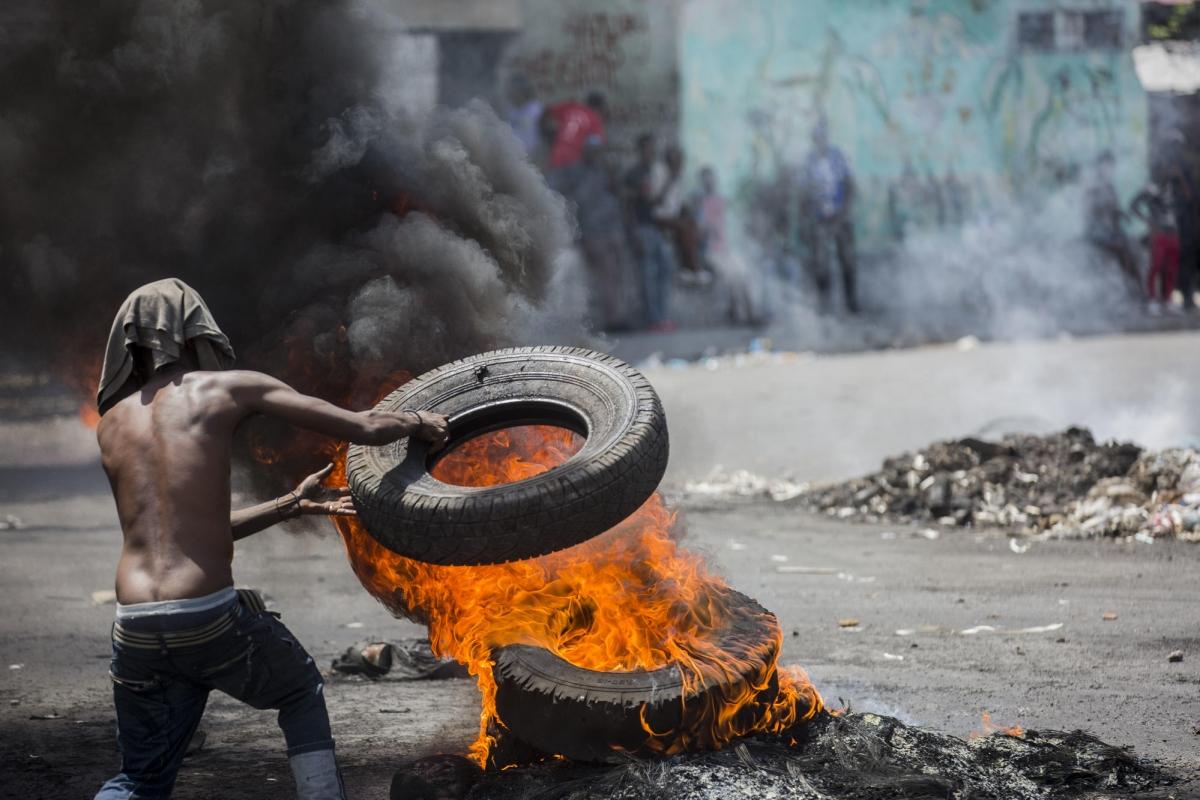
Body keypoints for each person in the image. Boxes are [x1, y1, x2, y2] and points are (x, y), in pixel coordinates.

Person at [92, 279, 449, 800]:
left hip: (135, 629)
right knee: (299, 688)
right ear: (197, 334)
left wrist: (291, 504)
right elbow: (365, 427)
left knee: (141, 778)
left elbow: (185, 534)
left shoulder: (111, 425)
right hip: (208, 616)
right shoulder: (231, 388)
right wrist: (420, 421)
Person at [551, 135, 636, 330]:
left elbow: (620, 196)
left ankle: (619, 315)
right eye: (592, 151)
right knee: (606, 273)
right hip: (593, 231)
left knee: (618, 274)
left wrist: (612, 174)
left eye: (598, 151)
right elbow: (573, 200)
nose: (596, 155)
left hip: (613, 229)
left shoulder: (606, 172)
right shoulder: (577, 174)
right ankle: (613, 319)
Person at [799, 120, 859, 313]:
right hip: (820, 219)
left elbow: (850, 185)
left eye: (822, 136)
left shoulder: (838, 158)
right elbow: (805, 192)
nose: (820, 140)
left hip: (840, 217)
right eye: (817, 137)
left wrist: (843, 212)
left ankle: (851, 303)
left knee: (847, 260)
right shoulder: (810, 162)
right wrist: (811, 214)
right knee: (821, 263)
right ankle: (825, 305)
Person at [624, 133, 675, 331]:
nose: (651, 152)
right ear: (641, 150)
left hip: (659, 229)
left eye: (653, 148)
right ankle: (653, 319)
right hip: (644, 229)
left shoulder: (657, 172)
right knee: (648, 274)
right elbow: (632, 204)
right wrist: (634, 231)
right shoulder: (635, 174)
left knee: (664, 271)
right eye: (648, 148)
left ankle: (662, 317)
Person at [1085, 151, 1140, 297]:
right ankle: (1126, 294)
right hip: (1097, 232)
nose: (1109, 169)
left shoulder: (1110, 187)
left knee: (1132, 251)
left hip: (1111, 232)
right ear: (1099, 166)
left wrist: (1123, 215)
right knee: (1122, 251)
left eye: (1111, 165)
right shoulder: (1093, 186)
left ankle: (1134, 295)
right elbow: (1091, 211)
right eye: (1106, 165)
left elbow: (1115, 209)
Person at [1131, 164, 1181, 312]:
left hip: (1173, 233)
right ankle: (1152, 299)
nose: (1166, 172)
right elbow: (1133, 205)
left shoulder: (1174, 188)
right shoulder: (1150, 189)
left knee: (1171, 268)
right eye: (1163, 169)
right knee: (1156, 266)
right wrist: (1148, 222)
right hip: (1159, 234)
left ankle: (1167, 299)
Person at [541, 91, 607, 170]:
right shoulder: (594, 120)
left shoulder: (572, 107)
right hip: (575, 161)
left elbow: (546, 111)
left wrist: (546, 133)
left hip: (556, 156)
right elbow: (594, 145)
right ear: (599, 107)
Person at [504, 73, 543, 157]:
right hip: (514, 159)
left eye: (513, 91)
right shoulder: (511, 111)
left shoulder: (536, 110)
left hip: (532, 158)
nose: (510, 95)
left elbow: (541, 140)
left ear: (522, 91)